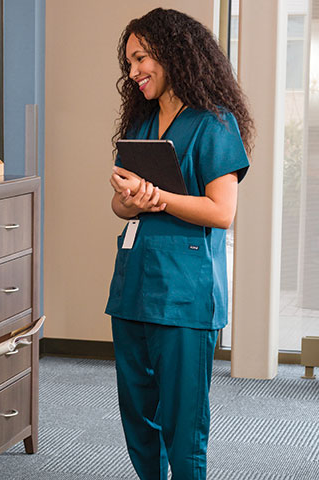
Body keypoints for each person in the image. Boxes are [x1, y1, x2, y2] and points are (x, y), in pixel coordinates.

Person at [105, 8, 254, 480]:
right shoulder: (143, 123)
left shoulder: (215, 123)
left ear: (173, 55)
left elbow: (222, 212)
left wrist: (161, 198)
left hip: (184, 296)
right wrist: (131, 200)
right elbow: (120, 207)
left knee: (183, 425)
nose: (134, 72)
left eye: (142, 59)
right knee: (137, 418)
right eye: (129, 63)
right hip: (133, 290)